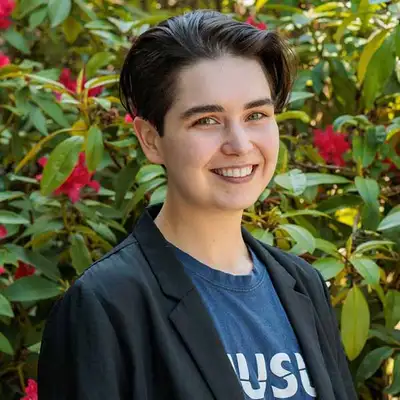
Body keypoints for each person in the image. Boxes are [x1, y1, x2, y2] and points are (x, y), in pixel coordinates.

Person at [38, 10, 357, 400]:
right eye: (207, 120)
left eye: (256, 115)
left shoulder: (302, 284)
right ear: (151, 139)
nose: (239, 144)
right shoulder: (105, 305)